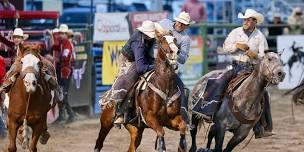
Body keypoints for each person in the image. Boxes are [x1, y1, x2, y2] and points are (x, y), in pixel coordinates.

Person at [192, 9, 273, 138]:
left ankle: (263, 127)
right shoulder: (236, 32)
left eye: (248, 19)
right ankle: (207, 109)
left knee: (265, 94)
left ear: (254, 22)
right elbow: (225, 47)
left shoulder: (260, 36)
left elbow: (264, 57)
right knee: (219, 81)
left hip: (252, 70)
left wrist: (255, 55)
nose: (245, 22)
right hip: (236, 66)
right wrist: (237, 46)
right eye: (245, 19)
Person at [100, 20, 156, 126]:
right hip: (129, 59)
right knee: (127, 80)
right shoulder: (138, 44)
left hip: (142, 58)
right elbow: (140, 68)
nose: (152, 37)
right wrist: (155, 66)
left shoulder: (149, 39)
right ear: (145, 33)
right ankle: (119, 111)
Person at [156, 11, 194, 125]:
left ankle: (183, 111)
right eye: (179, 22)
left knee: (182, 89)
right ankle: (126, 107)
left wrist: (175, 50)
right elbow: (152, 31)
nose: (180, 25)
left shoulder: (185, 39)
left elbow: (183, 60)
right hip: (153, 60)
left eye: (183, 24)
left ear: (187, 26)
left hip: (169, 67)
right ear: (176, 20)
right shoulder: (165, 23)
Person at [54, 24, 76, 124]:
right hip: (64, 70)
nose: (62, 35)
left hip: (66, 71)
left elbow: (65, 57)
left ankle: (70, 114)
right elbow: (54, 47)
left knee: (63, 94)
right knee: (62, 93)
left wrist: (56, 59)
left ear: (66, 34)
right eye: (61, 33)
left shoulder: (66, 43)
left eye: (63, 33)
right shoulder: (63, 43)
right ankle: (64, 115)